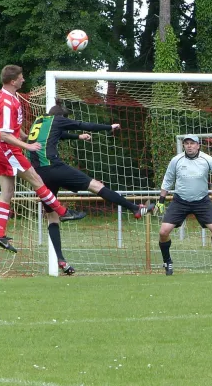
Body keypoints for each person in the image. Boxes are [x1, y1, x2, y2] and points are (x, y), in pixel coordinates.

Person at [27, 101, 155, 275]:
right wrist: (108, 126)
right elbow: (82, 124)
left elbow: (59, 135)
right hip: (54, 167)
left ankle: (62, 261)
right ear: (62, 117)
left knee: (52, 216)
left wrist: (78, 137)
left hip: (38, 175)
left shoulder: (39, 121)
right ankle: (135, 208)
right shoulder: (58, 120)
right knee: (96, 185)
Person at [0, 65, 85, 254]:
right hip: (7, 149)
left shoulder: (6, 96)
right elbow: (5, 134)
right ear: (12, 81)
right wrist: (28, 146)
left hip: (0, 148)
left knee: (7, 191)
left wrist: (24, 136)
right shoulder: (7, 103)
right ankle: (63, 212)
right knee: (37, 180)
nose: (23, 79)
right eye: (21, 77)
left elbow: (11, 128)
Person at [155, 134, 212, 276]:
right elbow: (167, 180)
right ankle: (167, 262)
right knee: (163, 232)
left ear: (198, 145)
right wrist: (161, 201)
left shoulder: (206, 159)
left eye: (192, 143)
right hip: (180, 201)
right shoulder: (176, 160)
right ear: (183, 145)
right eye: (186, 143)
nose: (189, 145)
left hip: (202, 201)